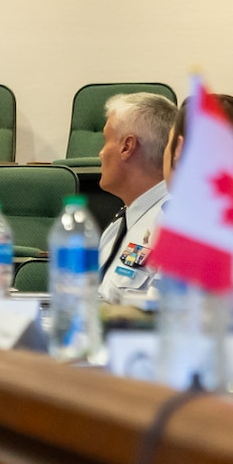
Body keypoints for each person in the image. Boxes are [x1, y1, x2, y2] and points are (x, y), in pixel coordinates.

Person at [95, 91, 176, 305]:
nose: (101, 153)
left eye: (106, 140)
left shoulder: (173, 223)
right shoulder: (119, 224)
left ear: (127, 147)